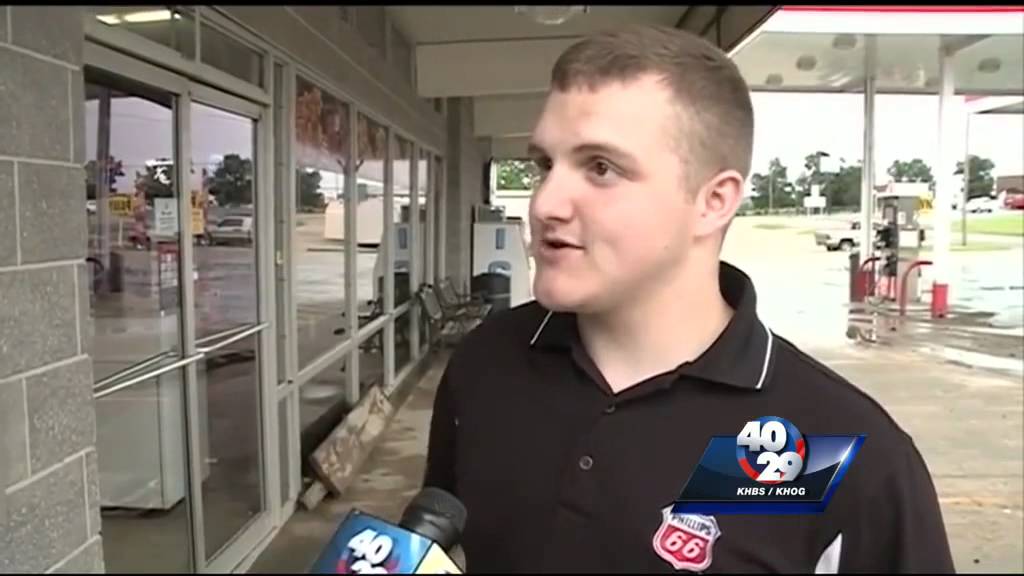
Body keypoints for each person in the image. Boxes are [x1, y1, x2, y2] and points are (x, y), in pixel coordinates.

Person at [423, 25, 954, 573]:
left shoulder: (835, 451)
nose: (545, 204)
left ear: (713, 201)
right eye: (545, 165)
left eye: (601, 168)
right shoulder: (485, 367)